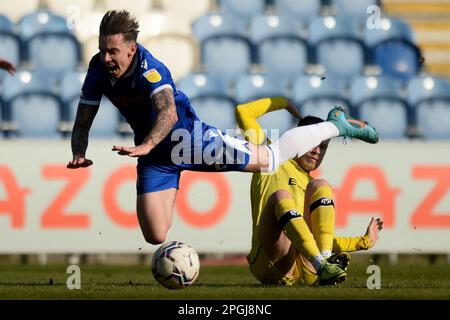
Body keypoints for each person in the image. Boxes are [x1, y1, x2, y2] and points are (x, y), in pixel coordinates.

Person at [67, 10, 379, 247]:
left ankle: (334, 126)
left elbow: (167, 111)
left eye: (113, 52)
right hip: (156, 157)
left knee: (269, 160)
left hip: (189, 140)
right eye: (103, 50)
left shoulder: (152, 70)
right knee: (155, 235)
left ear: (132, 49)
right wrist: (79, 152)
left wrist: (147, 145)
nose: (105, 57)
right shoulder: (97, 69)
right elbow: (84, 115)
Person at [235, 97, 384, 286]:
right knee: (281, 196)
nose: (317, 151)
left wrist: (363, 242)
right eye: (313, 144)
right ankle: (322, 264)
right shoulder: (271, 155)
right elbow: (243, 112)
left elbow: (313, 237)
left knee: (321, 185)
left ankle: (324, 262)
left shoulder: (312, 186)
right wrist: (285, 103)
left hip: (307, 268)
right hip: (270, 262)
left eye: (323, 147)